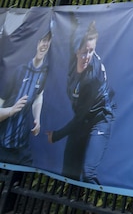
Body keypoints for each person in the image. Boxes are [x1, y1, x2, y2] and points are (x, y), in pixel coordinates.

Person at [48, 21, 115, 184]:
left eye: (91, 52)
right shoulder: (74, 58)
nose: (87, 57)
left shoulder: (92, 78)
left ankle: (97, 206)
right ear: (77, 51)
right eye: (84, 52)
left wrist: (56, 135)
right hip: (83, 119)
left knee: (88, 172)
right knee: (69, 172)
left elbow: (78, 118)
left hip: (100, 119)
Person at [0, 24, 52, 166]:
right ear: (37, 43)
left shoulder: (44, 73)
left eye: (49, 41)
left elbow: (37, 97)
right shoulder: (17, 71)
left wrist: (37, 118)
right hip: (2, 145)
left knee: (18, 180)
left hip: (21, 148)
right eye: (43, 40)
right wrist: (10, 111)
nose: (45, 44)